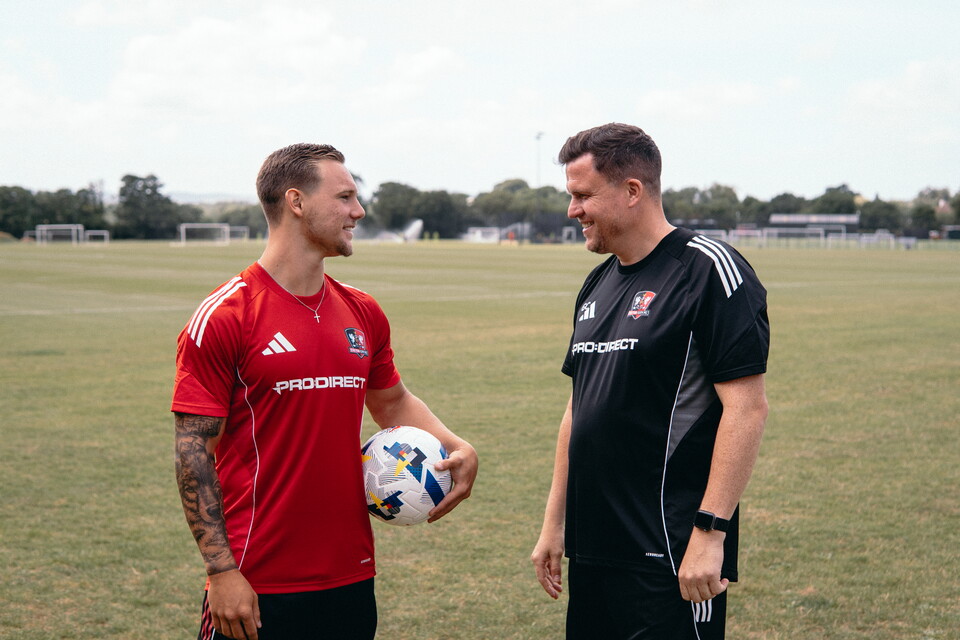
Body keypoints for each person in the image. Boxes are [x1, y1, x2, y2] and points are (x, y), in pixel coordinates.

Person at [172, 143, 478, 640]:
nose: (358, 211)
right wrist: (221, 571)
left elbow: (392, 401)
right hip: (256, 578)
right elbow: (193, 455)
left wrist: (455, 444)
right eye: (345, 197)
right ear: (296, 201)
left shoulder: (362, 311)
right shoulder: (227, 316)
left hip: (350, 576)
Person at [531, 123, 769, 639]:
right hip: (595, 550)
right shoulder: (597, 283)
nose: (572, 210)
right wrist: (556, 523)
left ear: (632, 191)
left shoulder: (708, 270)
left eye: (582, 195)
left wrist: (710, 533)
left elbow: (746, 409)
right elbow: (579, 410)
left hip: (671, 553)